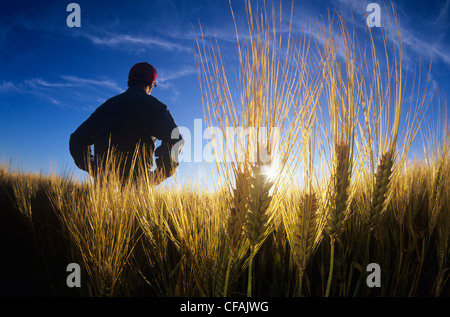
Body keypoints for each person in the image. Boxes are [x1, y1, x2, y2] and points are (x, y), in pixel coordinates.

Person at [69, 62, 184, 184]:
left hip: (103, 187)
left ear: (129, 81)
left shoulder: (106, 107)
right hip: (139, 186)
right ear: (151, 84)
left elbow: (77, 139)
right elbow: (176, 139)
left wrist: (94, 168)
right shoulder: (155, 107)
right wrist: (159, 174)